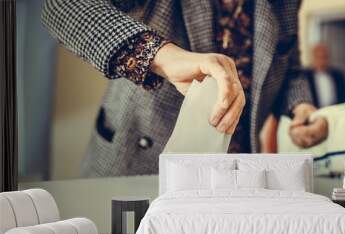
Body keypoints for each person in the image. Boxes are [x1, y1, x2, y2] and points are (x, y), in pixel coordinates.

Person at [42, 0, 328, 176]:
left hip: (235, 168)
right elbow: (62, 6)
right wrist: (160, 55)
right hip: (138, 158)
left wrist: (300, 106)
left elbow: (287, 63)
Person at [304, 43, 345, 108]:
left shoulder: (339, 76)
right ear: (313, 57)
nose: (321, 61)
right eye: (318, 57)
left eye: (324, 57)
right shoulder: (305, 77)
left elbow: (344, 99)